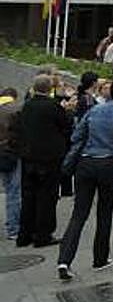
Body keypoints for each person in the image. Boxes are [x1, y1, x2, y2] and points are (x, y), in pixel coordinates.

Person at [55, 77, 113, 281]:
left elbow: (76, 136)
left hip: (86, 163)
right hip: (110, 164)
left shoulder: (95, 110)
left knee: (79, 214)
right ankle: (100, 258)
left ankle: (64, 260)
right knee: (105, 211)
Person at [12, 75, 72, 248]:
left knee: (28, 196)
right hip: (49, 159)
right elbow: (66, 128)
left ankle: (24, 235)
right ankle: (43, 235)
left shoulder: (26, 105)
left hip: (28, 157)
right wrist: (68, 111)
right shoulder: (54, 107)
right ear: (49, 88)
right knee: (47, 197)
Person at [0, 88, 22, 240]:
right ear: (13, 97)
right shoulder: (16, 110)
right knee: (13, 191)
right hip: (11, 153)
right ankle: (13, 228)